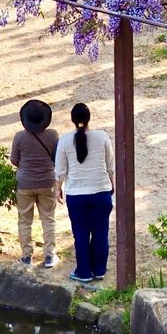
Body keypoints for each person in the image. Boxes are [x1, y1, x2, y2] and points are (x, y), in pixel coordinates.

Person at [54, 102, 114, 284]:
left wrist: (58, 188)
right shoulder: (102, 136)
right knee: (101, 232)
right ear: (89, 119)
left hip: (76, 194)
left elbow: (60, 169)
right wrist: (111, 183)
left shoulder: (64, 140)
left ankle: (84, 272)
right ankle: (100, 270)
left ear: (73, 120)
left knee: (80, 234)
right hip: (101, 191)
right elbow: (110, 165)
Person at [10, 99, 60, 268]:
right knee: (49, 219)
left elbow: (14, 160)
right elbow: (57, 158)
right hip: (48, 182)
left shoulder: (19, 136)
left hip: (24, 183)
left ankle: (26, 256)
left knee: (24, 220)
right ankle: (49, 256)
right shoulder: (53, 135)